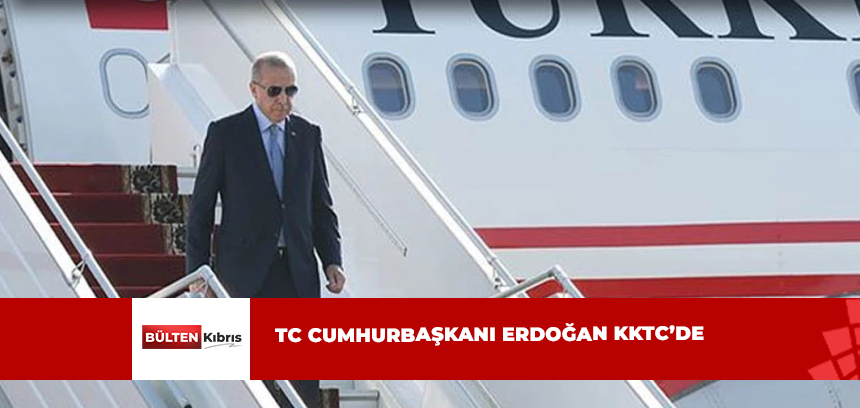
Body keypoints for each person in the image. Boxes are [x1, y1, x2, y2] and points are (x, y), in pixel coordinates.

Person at [185, 51, 346, 408]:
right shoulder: (226, 134)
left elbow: (321, 206)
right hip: (243, 275)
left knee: (301, 380)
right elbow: (200, 211)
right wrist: (198, 271)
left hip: (297, 273)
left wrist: (331, 260)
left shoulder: (307, 135)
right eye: (275, 91)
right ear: (254, 90)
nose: (284, 100)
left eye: (291, 90)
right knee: (246, 378)